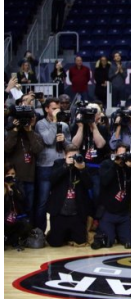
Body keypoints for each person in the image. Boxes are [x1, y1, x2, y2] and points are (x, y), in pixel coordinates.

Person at [95, 144, 131, 248]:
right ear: (115, 153)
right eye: (120, 154)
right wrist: (115, 164)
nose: (122, 157)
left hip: (123, 214)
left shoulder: (129, 167)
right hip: (108, 212)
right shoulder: (106, 164)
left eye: (124, 155)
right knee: (109, 241)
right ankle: (108, 231)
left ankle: (117, 232)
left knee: (128, 241)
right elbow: (104, 181)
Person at [35, 98, 72, 232]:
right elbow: (48, 139)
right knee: (43, 201)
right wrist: (56, 122)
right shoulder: (41, 124)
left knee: (61, 199)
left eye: (58, 108)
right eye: (54, 108)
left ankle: (58, 231)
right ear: (46, 109)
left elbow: (70, 146)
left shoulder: (65, 125)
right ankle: (39, 232)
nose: (57, 111)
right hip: (45, 166)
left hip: (61, 165)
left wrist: (64, 142)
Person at [46, 145, 93, 247]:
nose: (73, 159)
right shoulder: (58, 164)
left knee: (80, 242)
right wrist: (65, 166)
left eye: (75, 156)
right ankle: (57, 233)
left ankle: (68, 234)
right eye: (70, 157)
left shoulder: (83, 165)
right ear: (64, 156)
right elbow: (51, 179)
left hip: (76, 214)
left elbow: (90, 185)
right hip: (59, 212)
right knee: (55, 244)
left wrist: (82, 170)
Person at [5, 107, 44, 224]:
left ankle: (28, 232)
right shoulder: (11, 133)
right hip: (12, 179)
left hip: (29, 177)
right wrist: (15, 130)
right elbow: (6, 148)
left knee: (29, 207)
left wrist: (29, 131)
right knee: (12, 207)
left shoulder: (35, 135)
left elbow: (37, 149)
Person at [4, 163, 32, 248]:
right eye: (8, 174)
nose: (10, 176)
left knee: (25, 224)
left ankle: (12, 240)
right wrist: (6, 190)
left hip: (16, 216)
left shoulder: (18, 183)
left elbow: (22, 198)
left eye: (13, 174)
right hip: (4, 216)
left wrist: (14, 188)